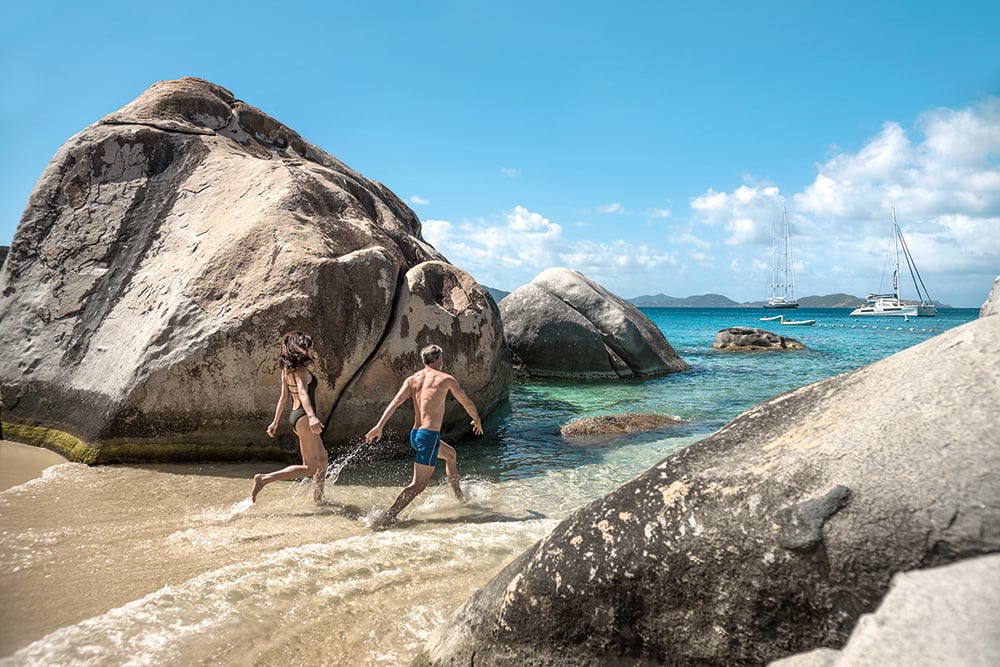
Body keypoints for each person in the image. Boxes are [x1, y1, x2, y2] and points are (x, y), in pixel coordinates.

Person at [364, 343, 483, 527]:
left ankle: (459, 496)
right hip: (428, 437)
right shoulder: (445, 379)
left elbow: (395, 402)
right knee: (418, 485)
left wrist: (379, 426)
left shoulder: (412, 379)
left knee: (450, 455)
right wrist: (476, 419)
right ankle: (387, 517)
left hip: (416, 434)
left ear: (423, 360)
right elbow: (466, 402)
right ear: (439, 360)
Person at [251, 331, 329, 504]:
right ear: (301, 349)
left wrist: (275, 421)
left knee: (323, 458)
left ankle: (319, 499)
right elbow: (302, 392)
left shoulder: (287, 370)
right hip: (304, 417)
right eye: (309, 346)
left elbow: (283, 397)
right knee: (309, 468)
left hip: (296, 417)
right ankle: (264, 479)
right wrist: (312, 416)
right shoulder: (300, 370)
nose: (312, 349)